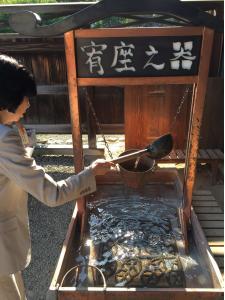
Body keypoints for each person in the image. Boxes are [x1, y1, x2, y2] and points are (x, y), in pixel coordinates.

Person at [0, 54, 114, 300]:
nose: (28, 105)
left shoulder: (6, 133)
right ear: (6, 100)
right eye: (25, 98)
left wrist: (24, 145)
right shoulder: (4, 139)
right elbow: (52, 194)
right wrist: (91, 173)